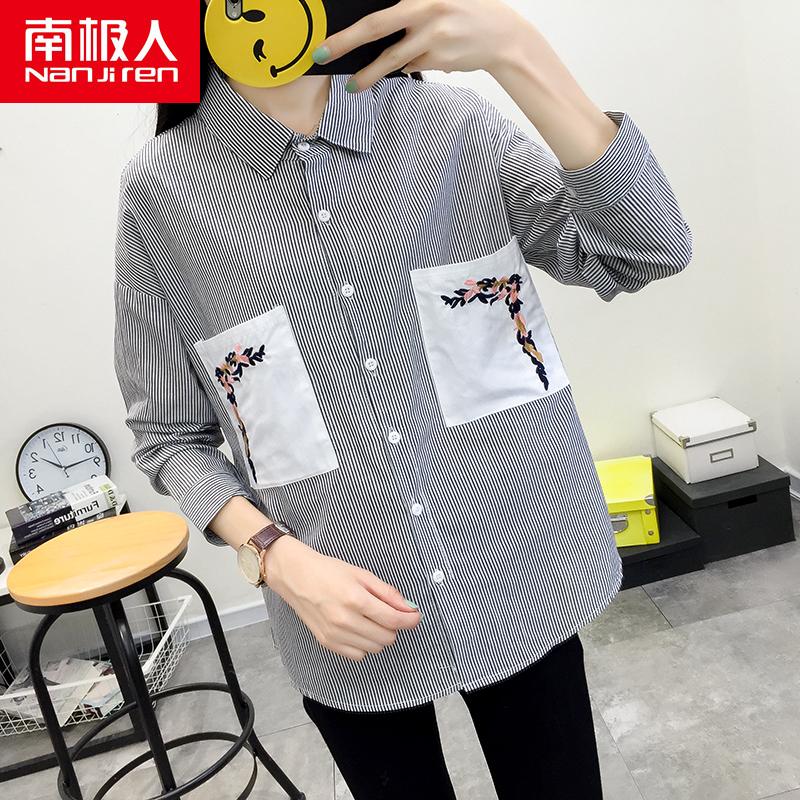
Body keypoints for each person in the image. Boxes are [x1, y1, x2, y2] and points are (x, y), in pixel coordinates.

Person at [112, 1, 693, 797]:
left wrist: (518, 51)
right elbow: (170, 437)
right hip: (339, 617)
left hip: (520, 567)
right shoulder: (161, 192)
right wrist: (275, 557)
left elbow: (642, 250)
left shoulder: (454, 126)